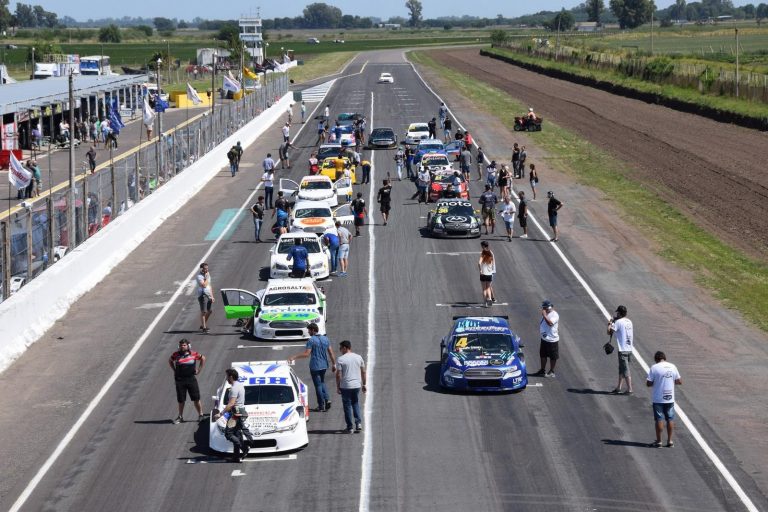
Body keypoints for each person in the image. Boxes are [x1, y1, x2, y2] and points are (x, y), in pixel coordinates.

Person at [287, 323, 336, 411]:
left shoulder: (311, 340)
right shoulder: (326, 339)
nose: (308, 332)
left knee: (318, 385)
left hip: (315, 366)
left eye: (309, 330)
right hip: (324, 365)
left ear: (313, 330)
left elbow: (306, 354)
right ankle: (327, 399)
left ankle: (321, 406)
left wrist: (294, 357)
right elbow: (331, 353)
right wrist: (334, 364)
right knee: (322, 382)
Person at [646, 351, 682, 448]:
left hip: (658, 398)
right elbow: (679, 381)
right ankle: (670, 441)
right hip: (670, 398)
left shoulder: (654, 367)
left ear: (656, 359)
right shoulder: (673, 366)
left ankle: (659, 441)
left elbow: (648, 383)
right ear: (664, 358)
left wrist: (657, 382)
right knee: (670, 419)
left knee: (659, 419)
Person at [215, 368, 252, 462]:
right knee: (236, 433)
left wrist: (221, 414)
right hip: (240, 412)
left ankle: (244, 448)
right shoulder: (240, 385)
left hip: (235, 414)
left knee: (228, 433)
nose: (226, 378)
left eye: (227, 376)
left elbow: (231, 404)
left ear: (231, 377)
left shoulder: (234, 388)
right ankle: (236, 457)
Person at [169, 339, 206, 424]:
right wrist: (174, 370)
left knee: (196, 398)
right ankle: (180, 416)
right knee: (181, 400)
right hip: (180, 380)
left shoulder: (194, 354)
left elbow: (203, 358)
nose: (182, 347)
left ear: (188, 346)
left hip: (191, 379)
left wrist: (199, 370)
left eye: (184, 345)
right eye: (181, 345)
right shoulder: (176, 354)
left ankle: (201, 415)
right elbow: (170, 361)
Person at [335, 340, 366, 434]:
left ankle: (350, 427)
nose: (340, 350)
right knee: (355, 403)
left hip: (346, 386)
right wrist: (364, 384)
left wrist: (338, 386)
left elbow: (338, 375)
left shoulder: (341, 359)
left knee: (347, 406)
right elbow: (363, 371)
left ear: (345, 348)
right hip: (356, 385)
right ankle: (358, 424)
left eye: (340, 348)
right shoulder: (358, 357)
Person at [608, 305, 634, 395]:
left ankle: (630, 389)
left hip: (622, 349)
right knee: (622, 369)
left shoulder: (618, 322)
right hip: (629, 349)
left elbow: (609, 332)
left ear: (619, 313)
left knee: (625, 370)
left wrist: (610, 322)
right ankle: (618, 387)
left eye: (617, 312)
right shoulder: (629, 322)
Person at [534, 300, 560, 377]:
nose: (543, 310)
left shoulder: (554, 315)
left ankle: (552, 371)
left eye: (545, 308)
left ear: (549, 308)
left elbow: (550, 323)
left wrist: (545, 315)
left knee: (553, 356)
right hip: (544, 338)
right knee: (543, 355)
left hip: (552, 340)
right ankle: (542, 370)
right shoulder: (547, 313)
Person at [196, 263, 214, 333]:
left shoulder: (208, 275)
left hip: (208, 294)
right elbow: (203, 285)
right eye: (205, 268)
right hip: (202, 295)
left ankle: (202, 325)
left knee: (209, 311)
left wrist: (212, 296)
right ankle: (204, 327)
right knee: (204, 311)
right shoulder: (199, 276)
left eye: (207, 268)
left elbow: (209, 285)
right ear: (201, 269)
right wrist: (206, 277)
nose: (206, 269)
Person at [478, 241, 496, 307]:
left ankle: (485, 302)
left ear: (483, 246)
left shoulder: (483, 254)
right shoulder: (491, 254)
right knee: (488, 288)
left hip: (483, 274)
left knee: (484, 289)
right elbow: (493, 264)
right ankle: (490, 299)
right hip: (490, 274)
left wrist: (480, 270)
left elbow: (479, 263)